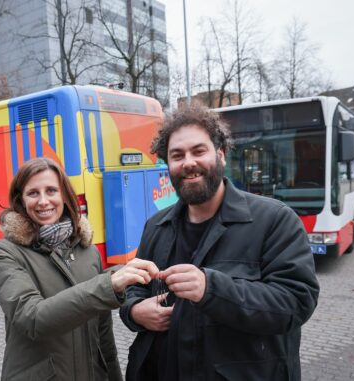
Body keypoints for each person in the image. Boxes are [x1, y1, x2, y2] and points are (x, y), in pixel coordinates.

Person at [120, 104, 320, 380]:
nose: (188, 162)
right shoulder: (156, 226)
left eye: (198, 151)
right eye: (177, 155)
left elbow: (296, 302)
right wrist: (134, 312)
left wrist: (211, 289)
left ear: (221, 156)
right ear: (168, 166)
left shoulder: (274, 220)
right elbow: (135, 290)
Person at [0, 157, 159, 381]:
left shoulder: (88, 251)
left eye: (51, 191)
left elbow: (104, 333)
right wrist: (108, 284)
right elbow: (33, 319)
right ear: (21, 199)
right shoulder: (5, 253)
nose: (43, 201)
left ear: (65, 195)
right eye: (33, 193)